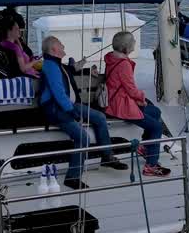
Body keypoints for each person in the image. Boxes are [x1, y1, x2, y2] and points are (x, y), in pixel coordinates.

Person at [38, 36, 129, 189]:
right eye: (60, 44)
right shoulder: (51, 66)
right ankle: (72, 177)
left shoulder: (56, 64)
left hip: (69, 105)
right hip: (57, 109)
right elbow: (59, 94)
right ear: (54, 49)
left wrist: (86, 69)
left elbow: (70, 71)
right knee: (83, 138)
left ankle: (107, 157)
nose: (63, 45)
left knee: (99, 117)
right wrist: (73, 113)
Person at [102, 31, 171, 176]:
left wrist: (140, 100)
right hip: (121, 106)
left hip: (114, 102)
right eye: (132, 41)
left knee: (155, 112)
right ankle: (151, 166)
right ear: (126, 47)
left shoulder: (111, 58)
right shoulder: (124, 64)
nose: (134, 42)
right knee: (156, 126)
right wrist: (142, 98)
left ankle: (146, 148)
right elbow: (131, 89)